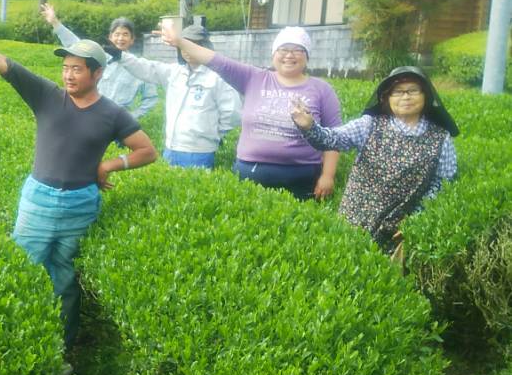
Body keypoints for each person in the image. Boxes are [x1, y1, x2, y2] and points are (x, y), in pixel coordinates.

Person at [0, 27, 156, 345]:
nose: (69, 75)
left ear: (98, 73)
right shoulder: (47, 95)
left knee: (65, 277)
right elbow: (4, 65)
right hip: (39, 200)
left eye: (77, 68)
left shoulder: (112, 114)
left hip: (81, 205)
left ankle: (61, 346)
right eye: (66, 67)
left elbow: (147, 151)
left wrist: (110, 164)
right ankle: (20, 341)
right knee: (24, 268)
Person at [290, 66, 459, 255]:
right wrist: (309, 126)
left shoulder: (441, 138)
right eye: (397, 92)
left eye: (413, 90)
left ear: (426, 95)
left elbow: (443, 183)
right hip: (354, 220)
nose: (405, 97)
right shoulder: (369, 125)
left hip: (399, 229)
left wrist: (416, 219)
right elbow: (332, 139)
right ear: (386, 98)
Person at [169, 26, 342, 200]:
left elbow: (334, 137)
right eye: (283, 49)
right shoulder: (253, 77)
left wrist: (328, 176)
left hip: (301, 177)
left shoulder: (322, 89)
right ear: (274, 53)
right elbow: (217, 61)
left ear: (307, 56)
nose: (289, 55)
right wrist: (180, 42)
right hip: (249, 174)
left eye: (298, 50)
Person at [116, 23, 242, 169]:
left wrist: (212, 134)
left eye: (193, 44)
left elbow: (232, 114)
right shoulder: (175, 72)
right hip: (170, 149)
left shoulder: (217, 77)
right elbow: (146, 67)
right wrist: (121, 56)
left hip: (200, 152)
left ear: (205, 47)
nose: (187, 50)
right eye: (184, 44)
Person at [42, 4, 160, 118]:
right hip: (92, 113)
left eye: (125, 34)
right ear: (110, 37)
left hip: (118, 120)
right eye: (117, 34)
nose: (120, 38)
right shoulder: (100, 57)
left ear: (132, 39)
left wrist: (133, 116)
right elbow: (77, 44)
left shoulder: (140, 66)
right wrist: (55, 22)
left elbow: (151, 98)